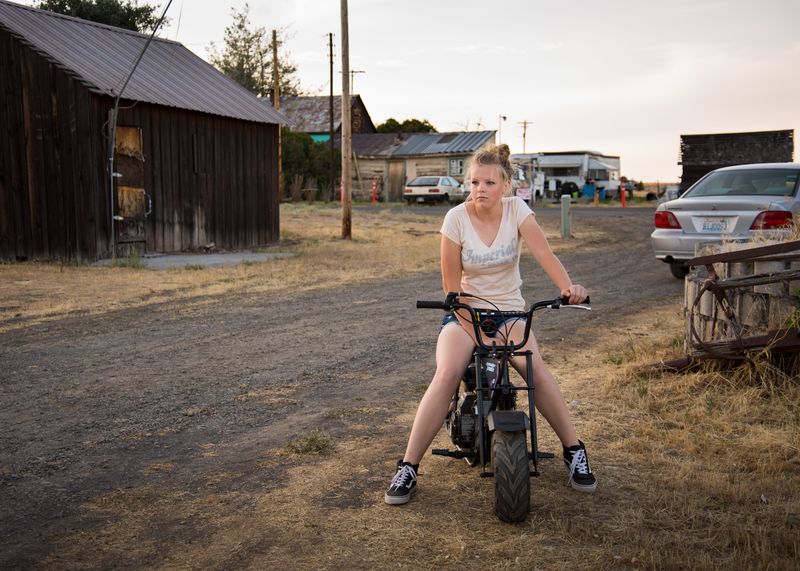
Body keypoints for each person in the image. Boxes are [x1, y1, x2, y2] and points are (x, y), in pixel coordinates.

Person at [385, 144, 597, 506]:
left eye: (488, 182)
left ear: (506, 185)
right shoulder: (455, 218)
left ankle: (574, 451)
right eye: (474, 182)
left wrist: (568, 287)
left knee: (534, 368)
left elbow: (545, 254)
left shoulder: (518, 211)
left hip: (510, 311)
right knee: (448, 372)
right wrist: (474, 322)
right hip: (465, 311)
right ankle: (408, 466)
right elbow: (452, 287)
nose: (479, 189)